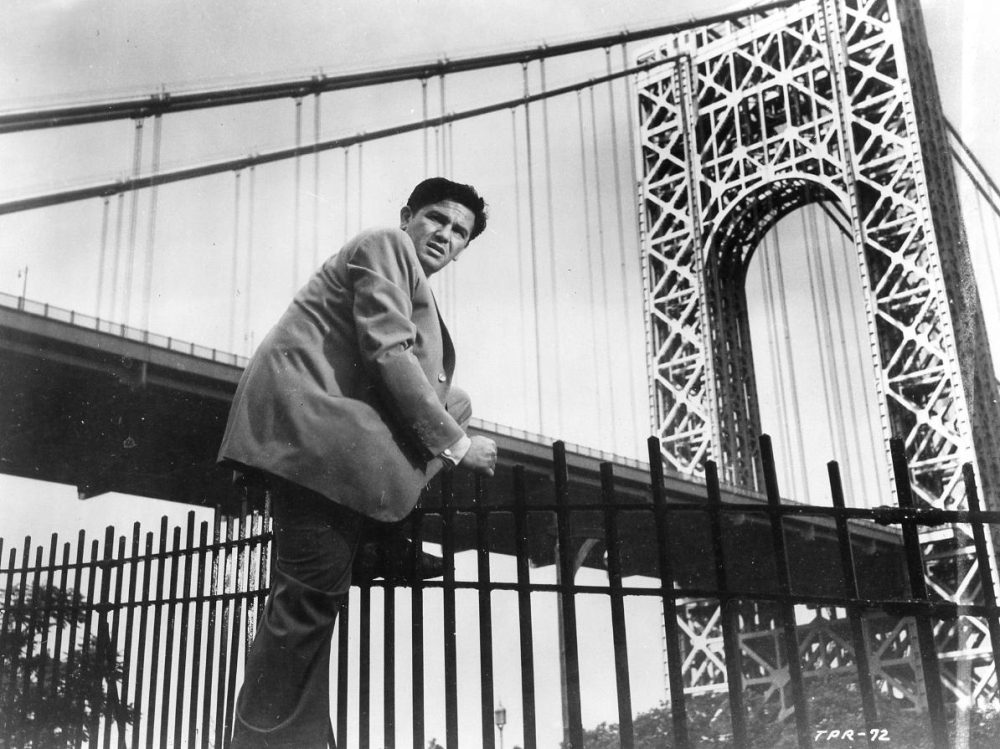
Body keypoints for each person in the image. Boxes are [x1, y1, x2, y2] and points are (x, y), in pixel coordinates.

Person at [217, 177, 499, 748]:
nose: (445, 235)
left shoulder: (407, 270)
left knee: (456, 404)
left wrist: (450, 428)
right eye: (436, 219)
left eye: (459, 232)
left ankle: (377, 536)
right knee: (305, 606)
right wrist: (459, 447)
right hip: (311, 434)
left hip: (332, 435)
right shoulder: (385, 244)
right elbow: (388, 350)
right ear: (407, 216)